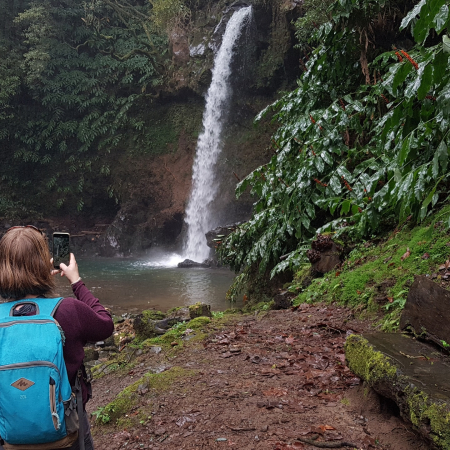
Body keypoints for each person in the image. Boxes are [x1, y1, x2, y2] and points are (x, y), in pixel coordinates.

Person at [0, 225, 114, 450]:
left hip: (9, 433)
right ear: (45, 262)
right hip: (67, 430)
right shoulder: (68, 310)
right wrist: (76, 281)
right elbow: (105, 325)